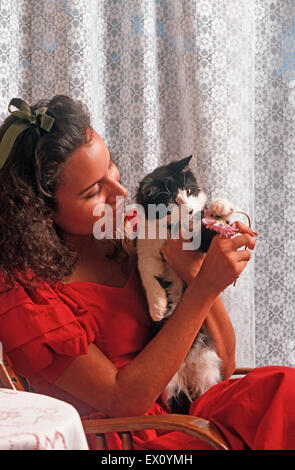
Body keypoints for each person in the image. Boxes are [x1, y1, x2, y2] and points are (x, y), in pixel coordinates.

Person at [0, 95, 294, 451]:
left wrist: (195, 273)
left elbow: (226, 364)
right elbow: (123, 401)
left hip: (189, 415)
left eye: (110, 167)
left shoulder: (132, 233)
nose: (120, 191)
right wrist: (203, 288)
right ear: (39, 211)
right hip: (130, 439)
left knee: (283, 388)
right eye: (94, 191)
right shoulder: (24, 293)